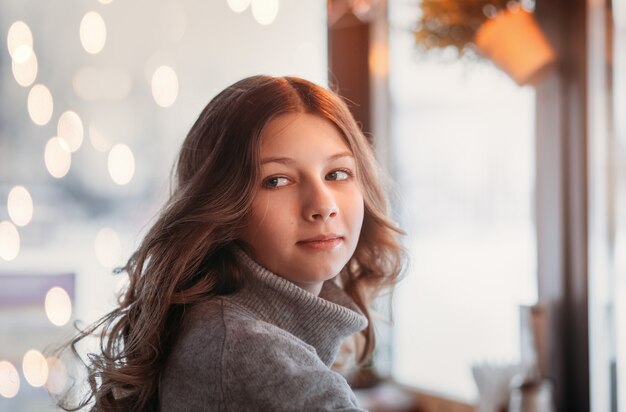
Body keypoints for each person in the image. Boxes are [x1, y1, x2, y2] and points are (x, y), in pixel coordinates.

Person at [59, 75, 405, 411]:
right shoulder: (250, 352)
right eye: (277, 180)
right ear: (223, 205)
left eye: (337, 174)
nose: (322, 205)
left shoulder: (218, 326)